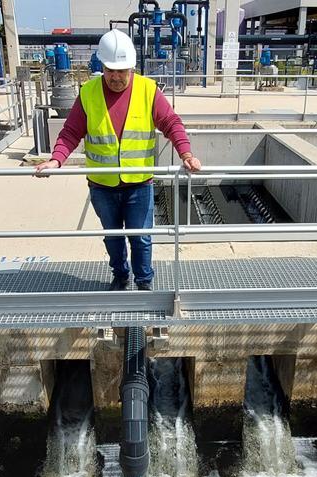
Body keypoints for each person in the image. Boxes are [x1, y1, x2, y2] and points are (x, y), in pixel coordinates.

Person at [35, 29, 202, 291]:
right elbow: (70, 132)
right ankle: (121, 277)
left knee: (141, 239)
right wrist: (56, 160)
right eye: (110, 70)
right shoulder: (89, 92)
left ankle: (144, 283)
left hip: (139, 184)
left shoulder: (148, 90)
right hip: (102, 186)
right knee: (113, 238)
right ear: (102, 66)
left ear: (132, 67)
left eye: (121, 70)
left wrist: (186, 153)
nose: (115, 76)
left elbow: (171, 122)